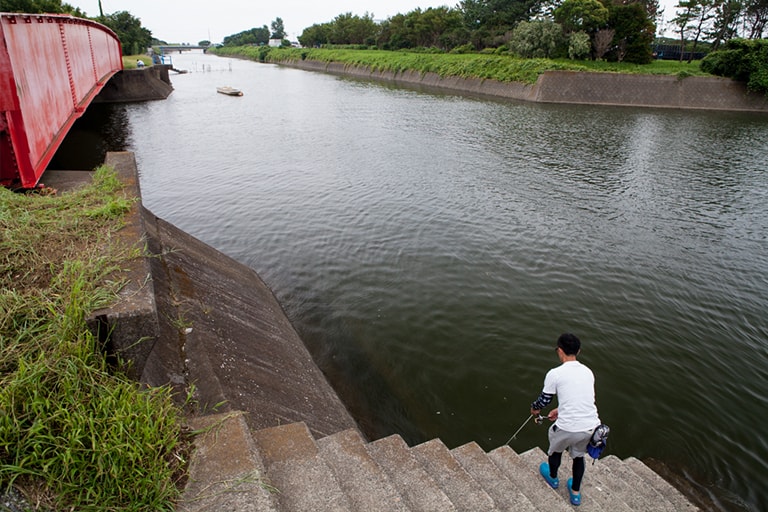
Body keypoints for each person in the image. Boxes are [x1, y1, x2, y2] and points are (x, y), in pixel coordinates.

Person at [530, 333, 600, 507]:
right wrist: (560, 410)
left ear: (559, 351)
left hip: (566, 428)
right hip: (590, 427)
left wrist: (534, 409)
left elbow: (544, 400)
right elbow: (584, 399)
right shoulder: (587, 372)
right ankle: (575, 493)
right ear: (579, 351)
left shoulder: (555, 373)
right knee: (578, 457)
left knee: (555, 451)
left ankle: (553, 478)